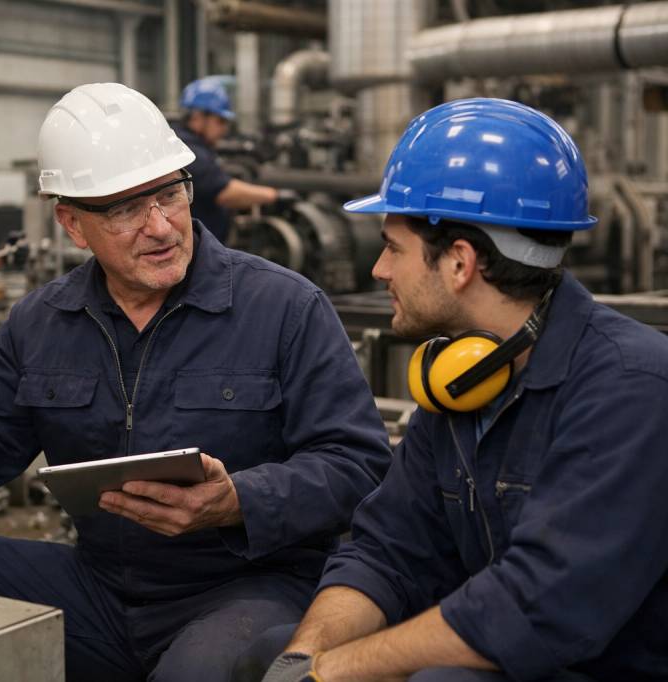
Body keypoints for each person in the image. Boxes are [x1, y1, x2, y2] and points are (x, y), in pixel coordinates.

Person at [0, 83, 391, 682]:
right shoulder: (43, 323)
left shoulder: (284, 307)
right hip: (101, 586)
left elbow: (359, 462)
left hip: (246, 586)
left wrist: (239, 501)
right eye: (124, 209)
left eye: (171, 194)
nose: (161, 225)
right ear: (72, 223)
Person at [246, 99, 668, 682]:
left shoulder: (631, 388)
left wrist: (334, 672)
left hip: (608, 668)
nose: (379, 270)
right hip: (514, 653)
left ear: (461, 263)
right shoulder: (461, 381)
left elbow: (533, 609)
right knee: (268, 649)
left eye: (393, 248)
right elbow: (386, 550)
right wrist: (301, 661)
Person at [171, 77, 284, 243]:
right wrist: (275, 196)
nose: (224, 129)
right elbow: (225, 193)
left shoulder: (187, 141)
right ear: (197, 117)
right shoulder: (187, 150)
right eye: (220, 121)